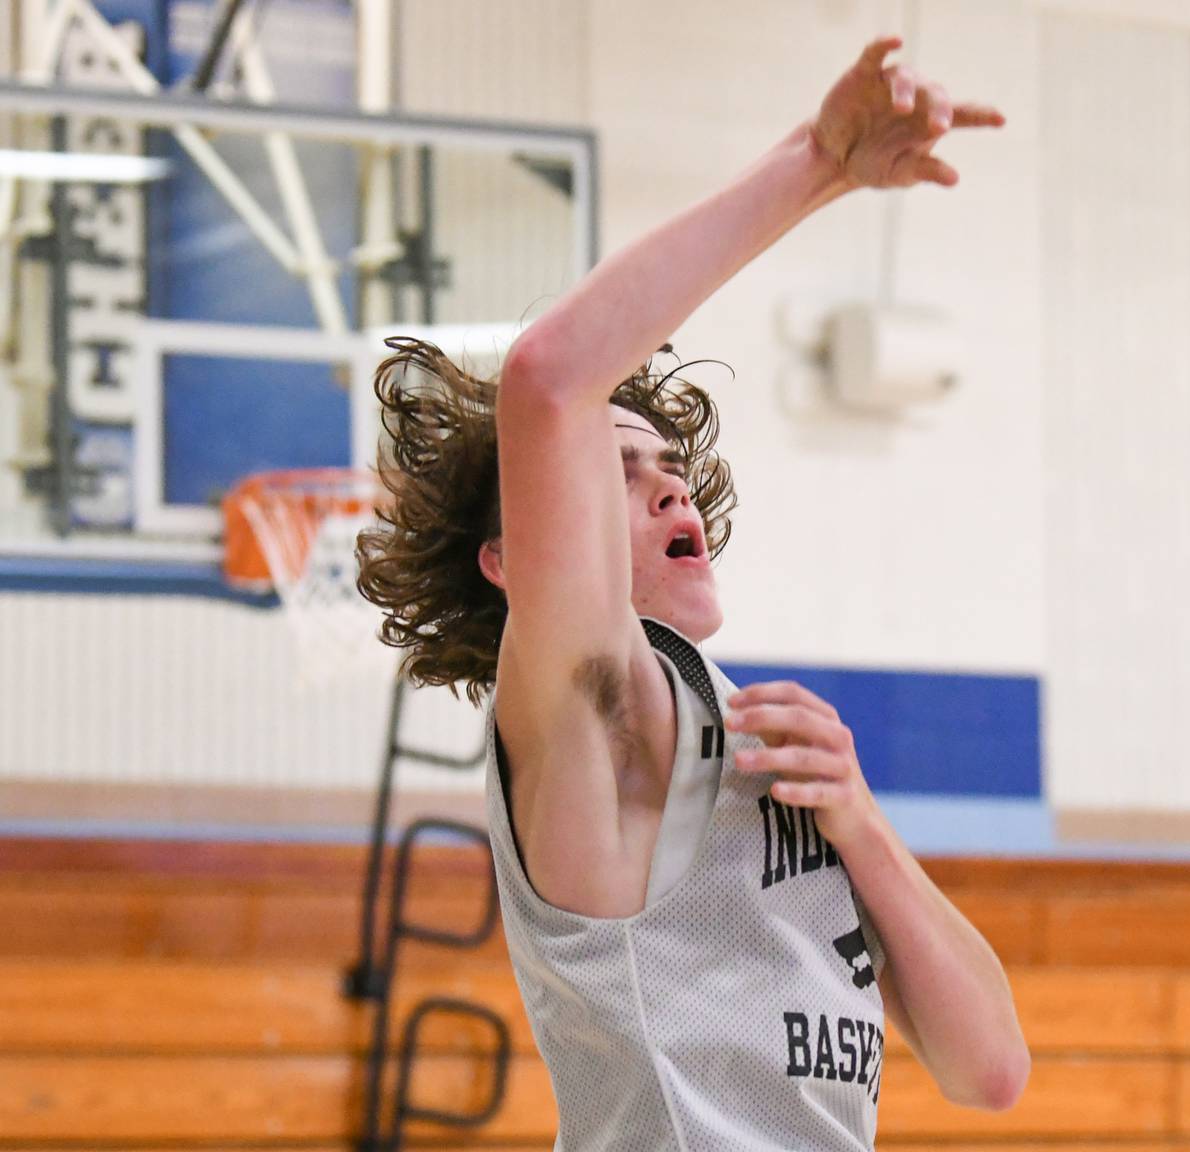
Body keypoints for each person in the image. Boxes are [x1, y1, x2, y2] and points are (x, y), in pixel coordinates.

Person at [358, 36, 1029, 1150]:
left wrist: (857, 820)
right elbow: (546, 377)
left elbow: (990, 1068)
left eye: (669, 468)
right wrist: (819, 161)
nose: (666, 483)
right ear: (513, 561)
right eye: (617, 467)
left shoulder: (758, 747)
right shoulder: (594, 711)